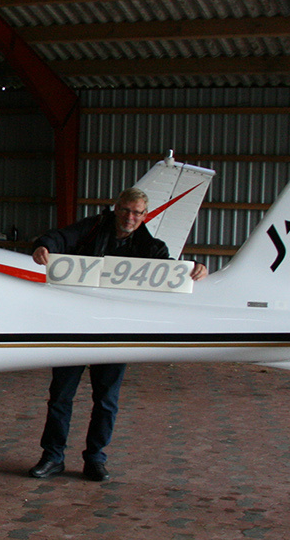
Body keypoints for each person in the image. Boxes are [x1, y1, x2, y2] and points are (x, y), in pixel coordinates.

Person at [27, 187, 208, 482]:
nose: (130, 217)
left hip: (116, 334)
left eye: (137, 213)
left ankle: (95, 459)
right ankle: (52, 457)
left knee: (106, 400)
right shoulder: (92, 227)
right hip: (76, 329)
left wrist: (195, 269)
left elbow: (171, 271)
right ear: (116, 209)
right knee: (60, 397)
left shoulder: (152, 247)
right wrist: (43, 246)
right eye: (125, 210)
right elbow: (61, 236)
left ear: (144, 216)